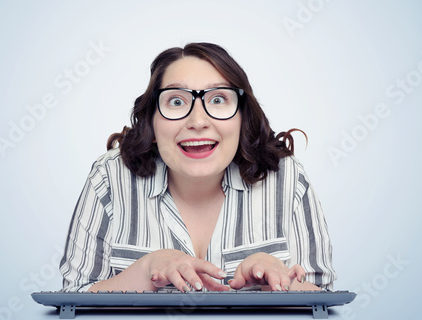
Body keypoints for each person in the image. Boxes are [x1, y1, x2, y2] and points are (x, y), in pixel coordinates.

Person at [59, 42, 337, 293]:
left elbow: (322, 299)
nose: (198, 120)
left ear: (242, 119)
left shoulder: (286, 178)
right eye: (177, 101)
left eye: (218, 100)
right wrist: (145, 272)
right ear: (152, 123)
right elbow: (73, 296)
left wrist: (273, 285)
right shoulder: (109, 177)